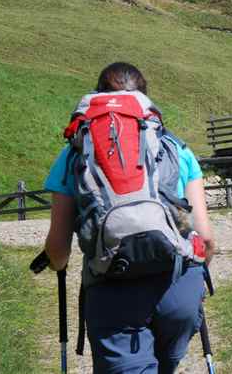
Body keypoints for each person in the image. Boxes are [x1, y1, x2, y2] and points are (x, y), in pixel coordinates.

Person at [43, 62, 215, 374]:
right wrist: (195, 280)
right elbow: (206, 239)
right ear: (145, 102)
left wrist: (58, 265)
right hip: (177, 286)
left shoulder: (74, 155)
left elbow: (58, 250)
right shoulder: (177, 149)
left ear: (96, 98)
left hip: (111, 285)